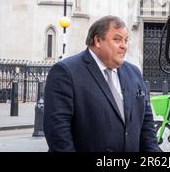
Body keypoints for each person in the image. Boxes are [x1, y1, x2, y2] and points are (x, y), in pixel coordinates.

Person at [44, 15, 159, 152]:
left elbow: (147, 126)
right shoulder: (66, 72)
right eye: (117, 39)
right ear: (98, 40)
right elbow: (58, 133)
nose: (124, 46)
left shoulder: (134, 72)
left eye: (126, 40)